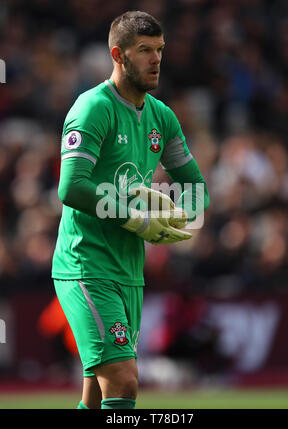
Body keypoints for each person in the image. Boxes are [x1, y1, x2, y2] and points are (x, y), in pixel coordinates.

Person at [51, 11, 210, 410]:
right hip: (85, 264)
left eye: (160, 50)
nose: (156, 59)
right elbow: (70, 186)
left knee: (96, 394)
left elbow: (197, 191)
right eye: (144, 51)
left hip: (129, 271)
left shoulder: (162, 117)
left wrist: (174, 213)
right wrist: (135, 216)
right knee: (123, 382)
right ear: (118, 55)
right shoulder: (92, 108)